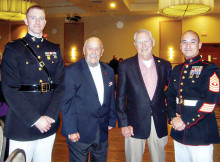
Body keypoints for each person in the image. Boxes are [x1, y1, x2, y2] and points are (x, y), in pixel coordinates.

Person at [1, 5, 64, 162]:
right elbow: (10, 89)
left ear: (45, 22)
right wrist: (35, 119)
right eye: (33, 17)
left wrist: (50, 116)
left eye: (41, 18)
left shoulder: (54, 49)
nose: (37, 21)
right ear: (26, 21)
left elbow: (61, 85)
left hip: (48, 123)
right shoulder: (13, 48)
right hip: (22, 121)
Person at [116, 29, 172, 162]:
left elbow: (171, 93)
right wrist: (124, 123)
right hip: (133, 123)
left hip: (158, 122)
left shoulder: (165, 65)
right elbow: (120, 97)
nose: (143, 45)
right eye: (139, 42)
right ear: (135, 45)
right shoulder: (125, 66)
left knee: (159, 159)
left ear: (152, 42)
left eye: (146, 41)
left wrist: (173, 115)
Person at [166, 30, 220, 162]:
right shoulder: (177, 69)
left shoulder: (210, 68)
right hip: (179, 133)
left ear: (200, 45)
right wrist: (173, 117)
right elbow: (170, 96)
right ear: (180, 46)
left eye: (192, 42)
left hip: (200, 132)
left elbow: (209, 103)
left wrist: (184, 120)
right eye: (184, 42)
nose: (188, 45)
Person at [61, 37, 117, 162]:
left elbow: (110, 97)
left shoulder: (109, 71)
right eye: (90, 48)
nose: (94, 51)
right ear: (84, 50)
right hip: (79, 133)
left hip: (102, 131)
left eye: (97, 48)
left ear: (102, 52)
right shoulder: (72, 71)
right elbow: (66, 102)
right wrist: (71, 129)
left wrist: (112, 119)